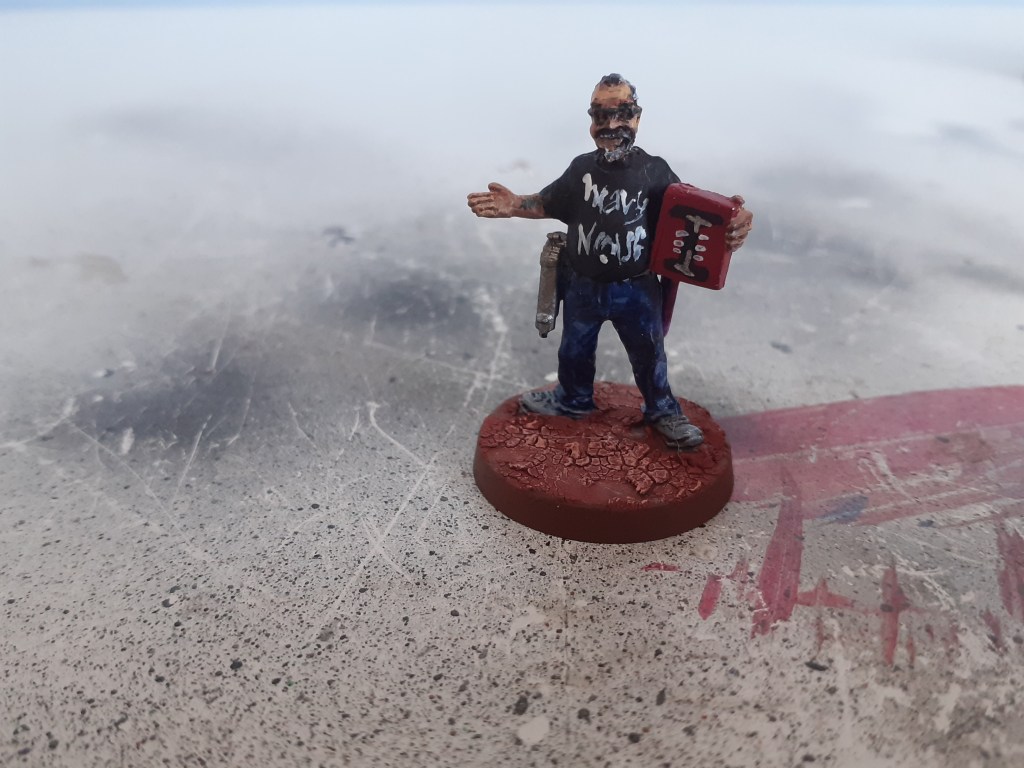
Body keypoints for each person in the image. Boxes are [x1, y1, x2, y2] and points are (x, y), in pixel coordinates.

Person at [467, 74, 752, 448]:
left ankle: (663, 411)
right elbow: (547, 203)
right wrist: (515, 204)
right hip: (583, 285)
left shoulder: (655, 171)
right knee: (574, 349)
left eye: (622, 114)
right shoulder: (581, 170)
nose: (611, 125)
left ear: (637, 118)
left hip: (636, 289)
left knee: (649, 354)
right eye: (600, 115)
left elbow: (694, 213)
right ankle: (572, 400)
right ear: (591, 120)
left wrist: (733, 222)